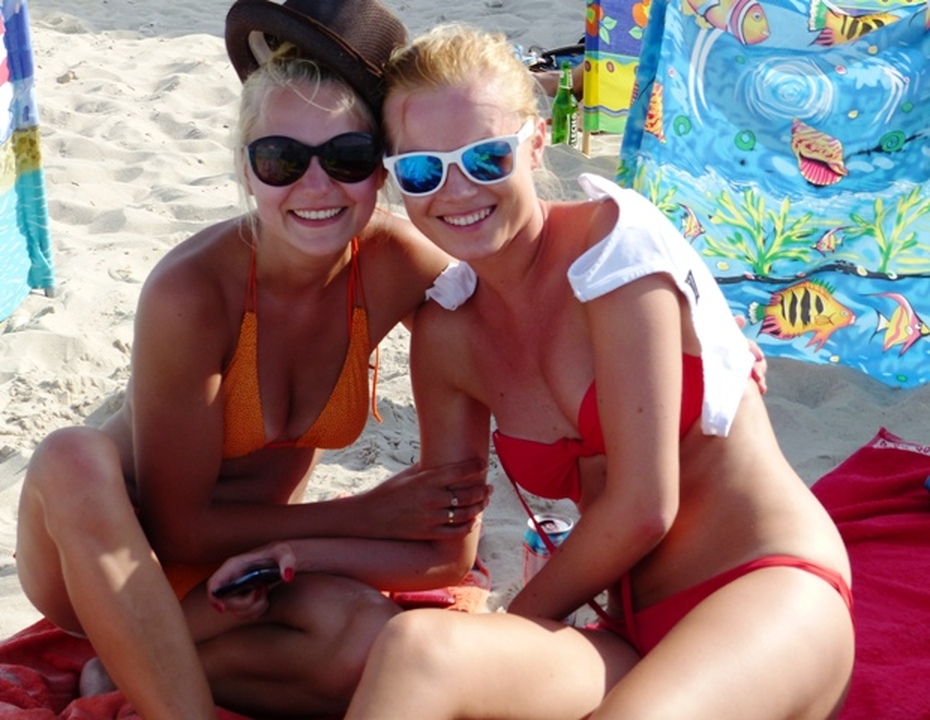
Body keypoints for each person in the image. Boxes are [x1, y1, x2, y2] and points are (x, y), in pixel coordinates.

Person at [339, 24, 855, 720]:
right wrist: (293, 551)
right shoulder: (448, 336)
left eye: (486, 158)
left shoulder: (614, 250)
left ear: (535, 141)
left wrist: (512, 631)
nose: (456, 190)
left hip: (764, 586)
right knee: (416, 650)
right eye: (423, 171)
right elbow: (444, 545)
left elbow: (644, 507)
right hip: (629, 633)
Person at [14, 2, 490, 718]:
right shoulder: (193, 292)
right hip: (110, 555)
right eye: (281, 160)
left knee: (367, 640)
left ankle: (125, 671)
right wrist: (366, 514)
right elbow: (177, 528)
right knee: (71, 454)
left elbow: (510, 287)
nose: (316, 187)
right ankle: (158, 681)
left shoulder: (400, 267)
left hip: (244, 566)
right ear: (245, 168)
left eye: (348, 157)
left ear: (382, 171)